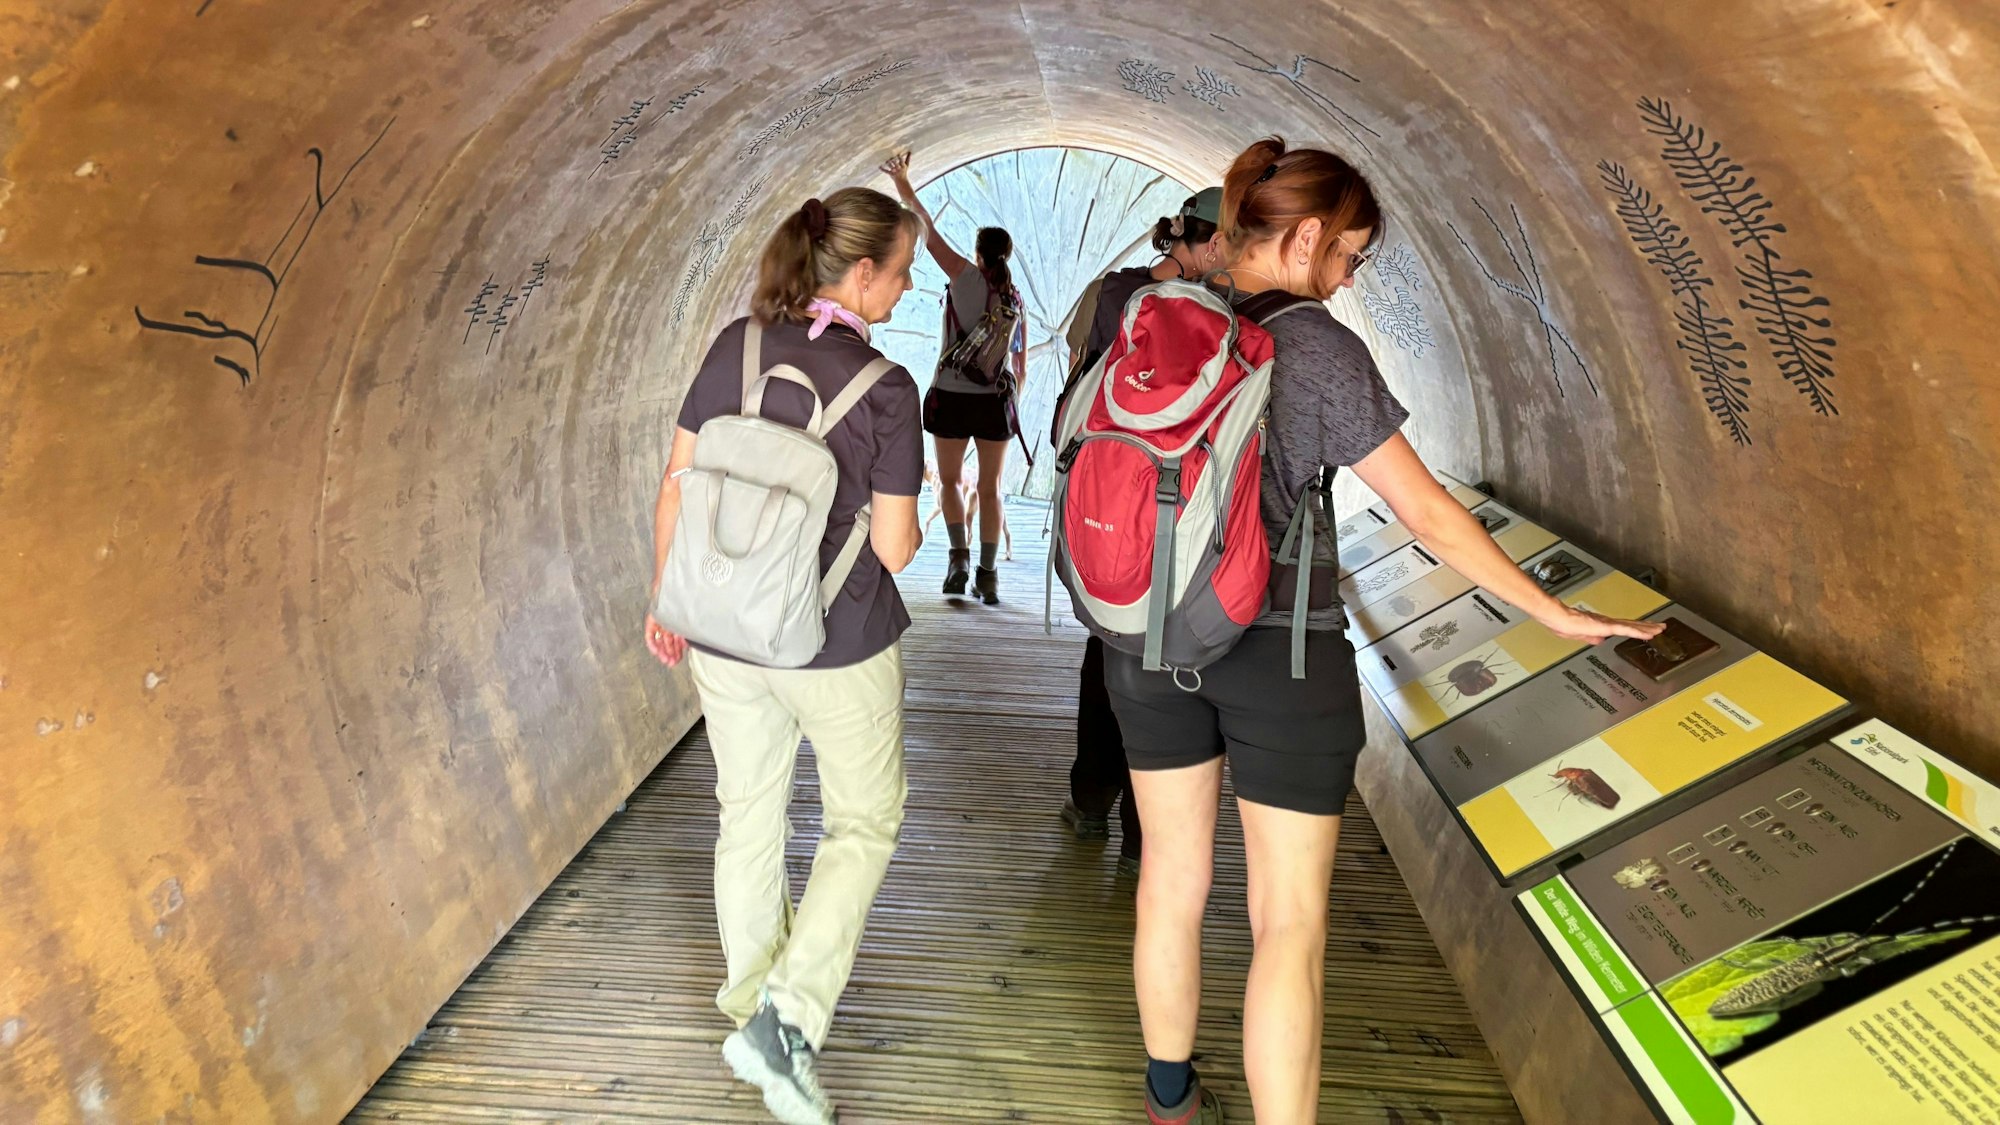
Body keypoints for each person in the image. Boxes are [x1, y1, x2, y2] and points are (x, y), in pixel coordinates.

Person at [1101, 139, 1665, 1125]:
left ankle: (1169, 1098)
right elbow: (1430, 515)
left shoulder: (1155, 314)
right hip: (1279, 655)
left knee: (1170, 880)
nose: (1350, 276)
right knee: (1287, 923)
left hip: (1147, 640)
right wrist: (1551, 610)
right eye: (1350, 255)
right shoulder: (1317, 348)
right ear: (1307, 238)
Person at [644, 186, 925, 1125]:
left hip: (724, 634)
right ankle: (788, 1018)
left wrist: (667, 596)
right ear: (860, 273)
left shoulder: (736, 345)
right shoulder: (887, 388)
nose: (907, 288)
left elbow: (677, 484)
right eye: (901, 271)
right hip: (838, 646)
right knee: (862, 822)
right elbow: (895, 550)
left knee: (749, 813)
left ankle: (748, 1005)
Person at [1056, 189, 1228, 877]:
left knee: (1106, 652)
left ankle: (1089, 802)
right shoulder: (1225, 311)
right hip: (1182, 515)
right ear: (1213, 243)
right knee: (1169, 679)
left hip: (1109, 507)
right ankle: (1142, 838)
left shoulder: (1115, 293)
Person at [881, 150, 1026, 606]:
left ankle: (958, 561)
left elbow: (924, 226)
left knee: (948, 482)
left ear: (978, 253)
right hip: (993, 401)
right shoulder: (1014, 299)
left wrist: (902, 181)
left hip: (952, 396)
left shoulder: (963, 276)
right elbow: (1018, 364)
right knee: (990, 488)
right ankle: (988, 575)